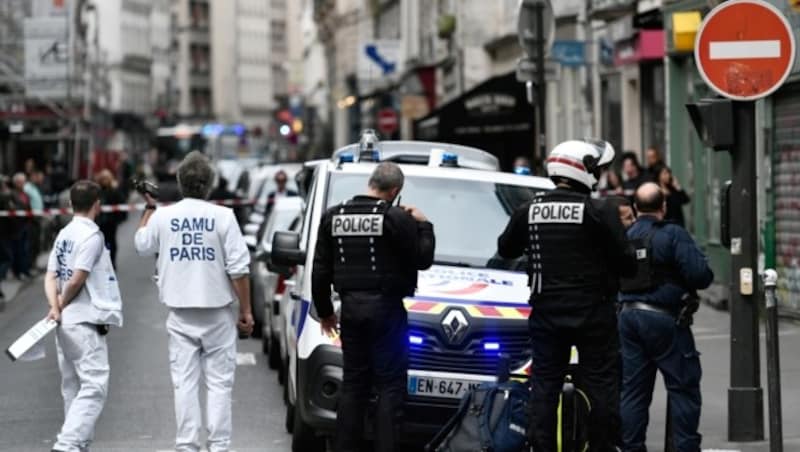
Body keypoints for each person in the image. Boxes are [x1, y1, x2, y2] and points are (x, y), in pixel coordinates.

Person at [497, 139, 635, 451]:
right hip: (594, 313)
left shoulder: (528, 210)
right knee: (602, 385)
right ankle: (601, 446)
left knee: (544, 385)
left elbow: (506, 248)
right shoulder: (598, 210)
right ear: (581, 169)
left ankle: (541, 446)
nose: (598, 175)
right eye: (595, 168)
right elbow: (626, 262)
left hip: (546, 312)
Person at [134, 151, 254, 452]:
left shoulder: (163, 216)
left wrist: (149, 209)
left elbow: (141, 245)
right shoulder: (223, 216)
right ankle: (219, 445)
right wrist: (246, 311)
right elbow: (239, 269)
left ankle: (187, 445)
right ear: (209, 184)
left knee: (184, 383)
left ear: (180, 183)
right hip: (218, 314)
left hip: (180, 314)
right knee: (219, 384)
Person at [312, 162, 435, 452]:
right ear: (395, 191)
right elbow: (422, 259)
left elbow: (320, 270)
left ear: (371, 183)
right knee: (390, 387)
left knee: (354, 384)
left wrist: (326, 311)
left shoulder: (334, 216)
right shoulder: (395, 217)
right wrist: (424, 224)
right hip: (387, 311)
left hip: (350, 310)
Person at [618, 182, 713, 452]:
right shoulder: (672, 234)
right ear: (664, 206)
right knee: (683, 389)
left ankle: (632, 448)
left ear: (635, 208)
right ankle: (684, 448)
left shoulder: (625, 236)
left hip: (627, 317)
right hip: (665, 320)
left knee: (633, 393)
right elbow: (700, 276)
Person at [44, 180, 123, 452]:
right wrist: (61, 303)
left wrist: (55, 306)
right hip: (84, 321)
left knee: (72, 387)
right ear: (97, 204)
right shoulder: (92, 236)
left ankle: (79, 445)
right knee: (95, 386)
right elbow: (78, 278)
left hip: (65, 323)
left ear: (70, 204)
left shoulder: (64, 233)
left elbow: (51, 274)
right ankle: (67, 444)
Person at [95, 170, 128, 268]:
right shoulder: (97, 191)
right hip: (100, 221)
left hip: (110, 221)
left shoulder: (114, 191)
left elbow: (121, 204)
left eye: (106, 178)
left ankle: (112, 261)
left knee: (111, 241)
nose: (105, 180)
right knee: (100, 242)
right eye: (103, 178)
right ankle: (102, 262)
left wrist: (120, 218)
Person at [11, 172, 33, 279]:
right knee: (18, 249)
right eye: (20, 182)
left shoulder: (25, 194)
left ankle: (25, 270)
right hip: (17, 226)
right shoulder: (12, 194)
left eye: (23, 182)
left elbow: (28, 208)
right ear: (15, 183)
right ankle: (18, 271)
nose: (22, 184)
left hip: (26, 224)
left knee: (26, 249)